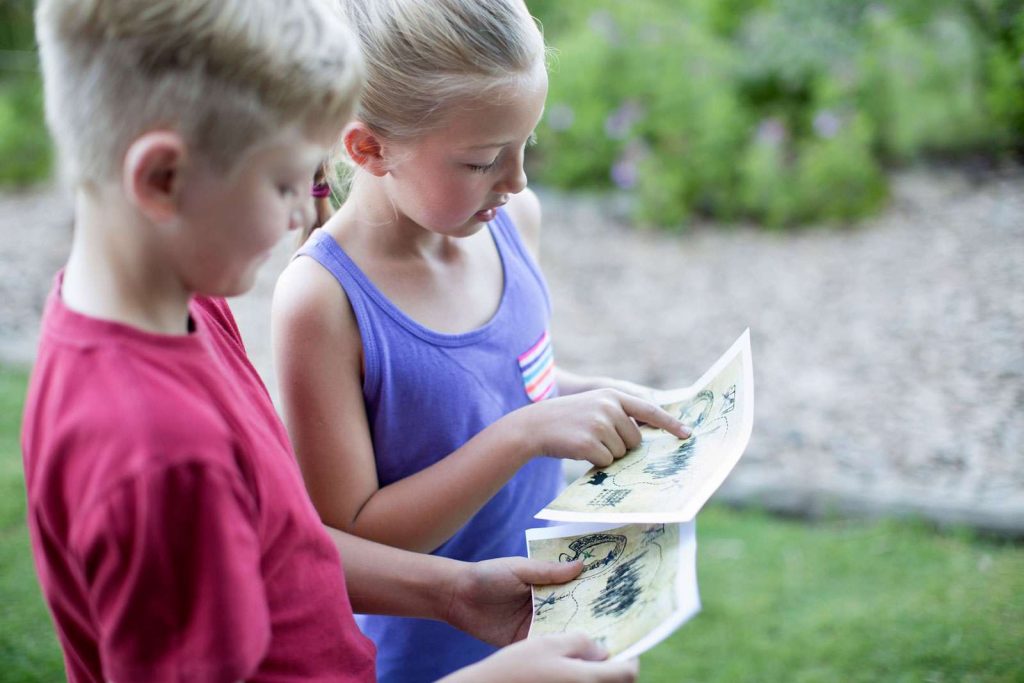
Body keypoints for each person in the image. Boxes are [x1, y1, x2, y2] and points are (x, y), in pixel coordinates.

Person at [21, 0, 640, 681]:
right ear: (163, 179)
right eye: (286, 181)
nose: (305, 211)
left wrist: (453, 591)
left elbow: (285, 543)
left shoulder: (183, 305)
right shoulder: (161, 458)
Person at [272, 1, 691, 680]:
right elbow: (351, 535)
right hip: (422, 657)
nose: (518, 179)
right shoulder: (322, 302)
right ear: (368, 148)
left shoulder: (510, 221)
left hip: (545, 629)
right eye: (483, 160)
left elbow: (501, 385)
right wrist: (527, 433)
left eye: (526, 143)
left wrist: (596, 398)